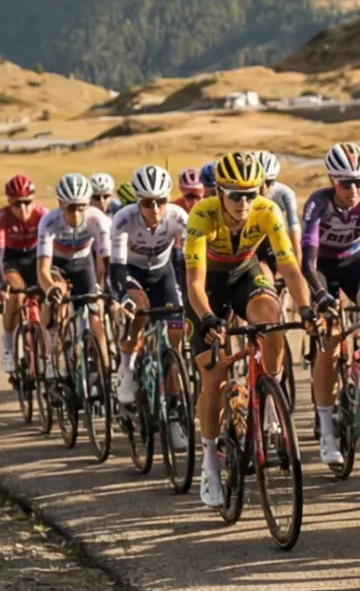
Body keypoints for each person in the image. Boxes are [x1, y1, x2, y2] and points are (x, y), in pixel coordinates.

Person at [184, 152, 313, 508]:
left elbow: (289, 266)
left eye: (251, 193)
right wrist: (208, 318)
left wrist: (305, 308)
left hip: (244, 273)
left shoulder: (267, 210)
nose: (244, 203)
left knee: (271, 319)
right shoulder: (202, 214)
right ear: (219, 192)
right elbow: (194, 282)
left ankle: (268, 388)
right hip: (207, 287)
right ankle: (210, 461)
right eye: (235, 195)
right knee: (216, 379)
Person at [301, 142, 360, 472]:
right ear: (331, 180)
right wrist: (321, 296)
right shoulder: (317, 203)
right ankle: (326, 429)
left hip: (354, 259)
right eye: (344, 183)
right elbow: (307, 262)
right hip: (321, 266)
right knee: (332, 339)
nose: (353, 189)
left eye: (359, 181)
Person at [110, 165, 190, 406]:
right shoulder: (124, 219)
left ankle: (174, 400)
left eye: (160, 201)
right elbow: (117, 267)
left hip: (162, 274)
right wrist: (124, 296)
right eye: (147, 202)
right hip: (131, 274)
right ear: (137, 201)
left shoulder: (178, 217)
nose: (155, 208)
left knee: (176, 332)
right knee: (141, 310)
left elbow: (189, 262)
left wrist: (190, 295)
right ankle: (128, 368)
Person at [38, 175, 117, 379]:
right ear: (60, 204)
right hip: (58, 265)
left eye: (81, 208)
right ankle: (51, 352)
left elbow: (106, 262)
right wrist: (50, 289)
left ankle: (104, 373)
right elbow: (43, 269)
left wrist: (102, 289)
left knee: (95, 316)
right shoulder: (49, 221)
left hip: (83, 264)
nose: (76, 214)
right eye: (70, 208)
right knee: (58, 294)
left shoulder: (98, 219)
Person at [0, 176, 44, 375]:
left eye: (27, 202)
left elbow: (51, 252)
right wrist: (1, 282)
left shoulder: (41, 214)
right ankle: (8, 344)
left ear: (33, 199)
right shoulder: (2, 217)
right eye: (16, 204)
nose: (22, 209)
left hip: (35, 257)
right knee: (17, 293)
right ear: (9, 203)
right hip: (11, 260)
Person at [253, 151, 300, 231]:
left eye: (268, 182)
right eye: (258, 182)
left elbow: (293, 225)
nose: (263, 188)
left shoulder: (285, 193)